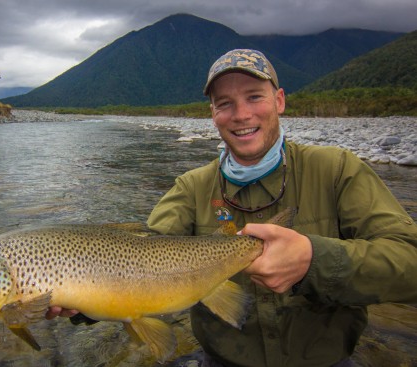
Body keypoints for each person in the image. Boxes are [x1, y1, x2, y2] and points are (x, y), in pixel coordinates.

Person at [47, 49, 417, 366]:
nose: (241, 114)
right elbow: (138, 259)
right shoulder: (190, 188)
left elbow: (409, 262)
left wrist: (314, 261)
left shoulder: (337, 169)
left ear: (280, 101)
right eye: (225, 103)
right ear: (213, 113)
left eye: (254, 96)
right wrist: (82, 299)